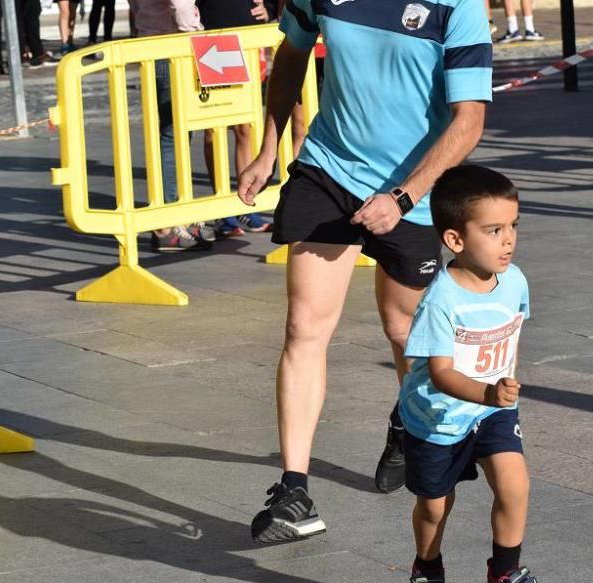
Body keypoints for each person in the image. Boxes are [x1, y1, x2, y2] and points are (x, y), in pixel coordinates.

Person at [239, 0, 491, 543]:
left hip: (414, 192)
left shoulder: (458, 6)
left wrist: (403, 197)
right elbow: (291, 55)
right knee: (303, 328)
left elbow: (469, 119)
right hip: (327, 170)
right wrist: (268, 147)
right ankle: (293, 492)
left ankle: (408, 421)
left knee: (403, 331)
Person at [399, 164, 555, 583]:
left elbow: (512, 333)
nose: (508, 240)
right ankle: (427, 569)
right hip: (438, 417)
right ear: (455, 240)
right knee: (434, 506)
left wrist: (504, 388)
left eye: (513, 227)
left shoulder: (516, 281)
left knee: (515, 483)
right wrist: (490, 391)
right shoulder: (441, 301)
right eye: (493, 230)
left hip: (493, 411)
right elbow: (442, 374)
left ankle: (504, 573)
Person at [128, 0, 213, 251]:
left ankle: (175, 216)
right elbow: (180, 5)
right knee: (175, 134)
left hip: (149, 44)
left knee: (172, 133)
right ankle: (169, 222)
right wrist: (194, 33)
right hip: (173, 46)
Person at [196, 0, 273, 236]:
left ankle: (244, 203)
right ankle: (222, 209)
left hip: (246, 40)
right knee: (214, 128)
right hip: (211, 41)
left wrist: (267, 8)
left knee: (245, 128)